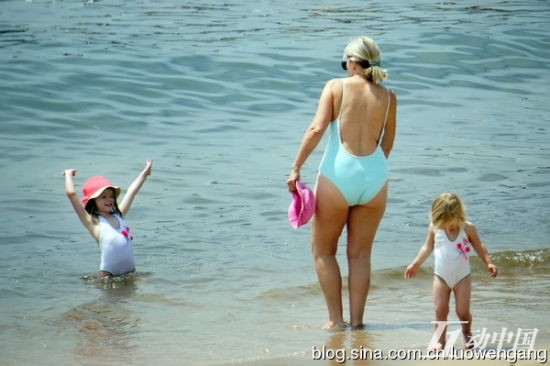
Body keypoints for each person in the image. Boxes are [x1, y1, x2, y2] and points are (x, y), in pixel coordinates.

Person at [287, 36, 397, 330]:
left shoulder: (336, 87)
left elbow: (316, 129)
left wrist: (296, 168)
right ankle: (358, 323)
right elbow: (387, 145)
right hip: (375, 177)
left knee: (324, 251)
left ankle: (336, 321)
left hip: (338, 175)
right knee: (360, 255)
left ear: (351, 61)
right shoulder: (389, 97)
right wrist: (369, 170)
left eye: (344, 62)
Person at [405, 192, 498, 349]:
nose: (450, 225)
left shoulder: (468, 228)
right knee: (440, 309)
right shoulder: (435, 228)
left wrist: (488, 262)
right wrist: (415, 264)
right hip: (441, 277)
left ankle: (467, 332)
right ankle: (440, 340)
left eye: (453, 221)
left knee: (462, 311)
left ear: (459, 215)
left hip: (463, 277)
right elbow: (427, 247)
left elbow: (479, 246)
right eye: (445, 222)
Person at [63, 160, 153, 280]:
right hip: (108, 277)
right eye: (103, 196)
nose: (109, 199)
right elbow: (71, 194)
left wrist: (145, 173)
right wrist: (68, 175)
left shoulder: (119, 214)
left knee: (132, 298)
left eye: (111, 195)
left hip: (130, 273)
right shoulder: (93, 222)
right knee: (109, 299)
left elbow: (132, 192)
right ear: (92, 200)